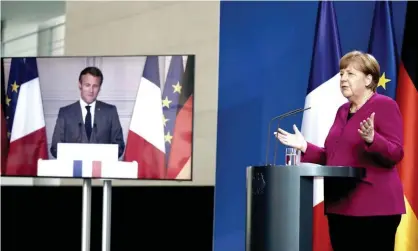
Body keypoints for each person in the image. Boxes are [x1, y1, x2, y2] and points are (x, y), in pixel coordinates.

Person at [275, 50, 405, 251]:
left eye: (350, 74)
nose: (343, 78)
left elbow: (396, 153)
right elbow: (332, 157)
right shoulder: (343, 110)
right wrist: (304, 147)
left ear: (369, 79)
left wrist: (373, 140)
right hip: (340, 205)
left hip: (374, 207)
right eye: (342, 73)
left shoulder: (385, 105)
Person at [50, 66, 125, 158]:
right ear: (80, 85)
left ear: (100, 88)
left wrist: (101, 158)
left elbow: (119, 146)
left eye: (95, 86)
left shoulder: (110, 112)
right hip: (74, 170)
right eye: (87, 85)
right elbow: (55, 148)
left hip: (101, 169)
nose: (91, 90)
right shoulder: (65, 113)